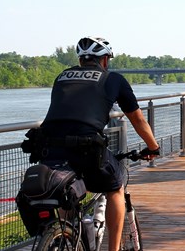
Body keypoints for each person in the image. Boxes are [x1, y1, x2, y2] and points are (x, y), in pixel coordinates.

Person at [40, 36, 160, 251]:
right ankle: (112, 249)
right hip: (87, 149)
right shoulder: (112, 79)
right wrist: (153, 147)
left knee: (69, 189)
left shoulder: (62, 76)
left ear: (81, 59)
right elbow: (137, 119)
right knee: (115, 188)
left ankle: (68, 237)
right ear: (105, 60)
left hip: (50, 147)